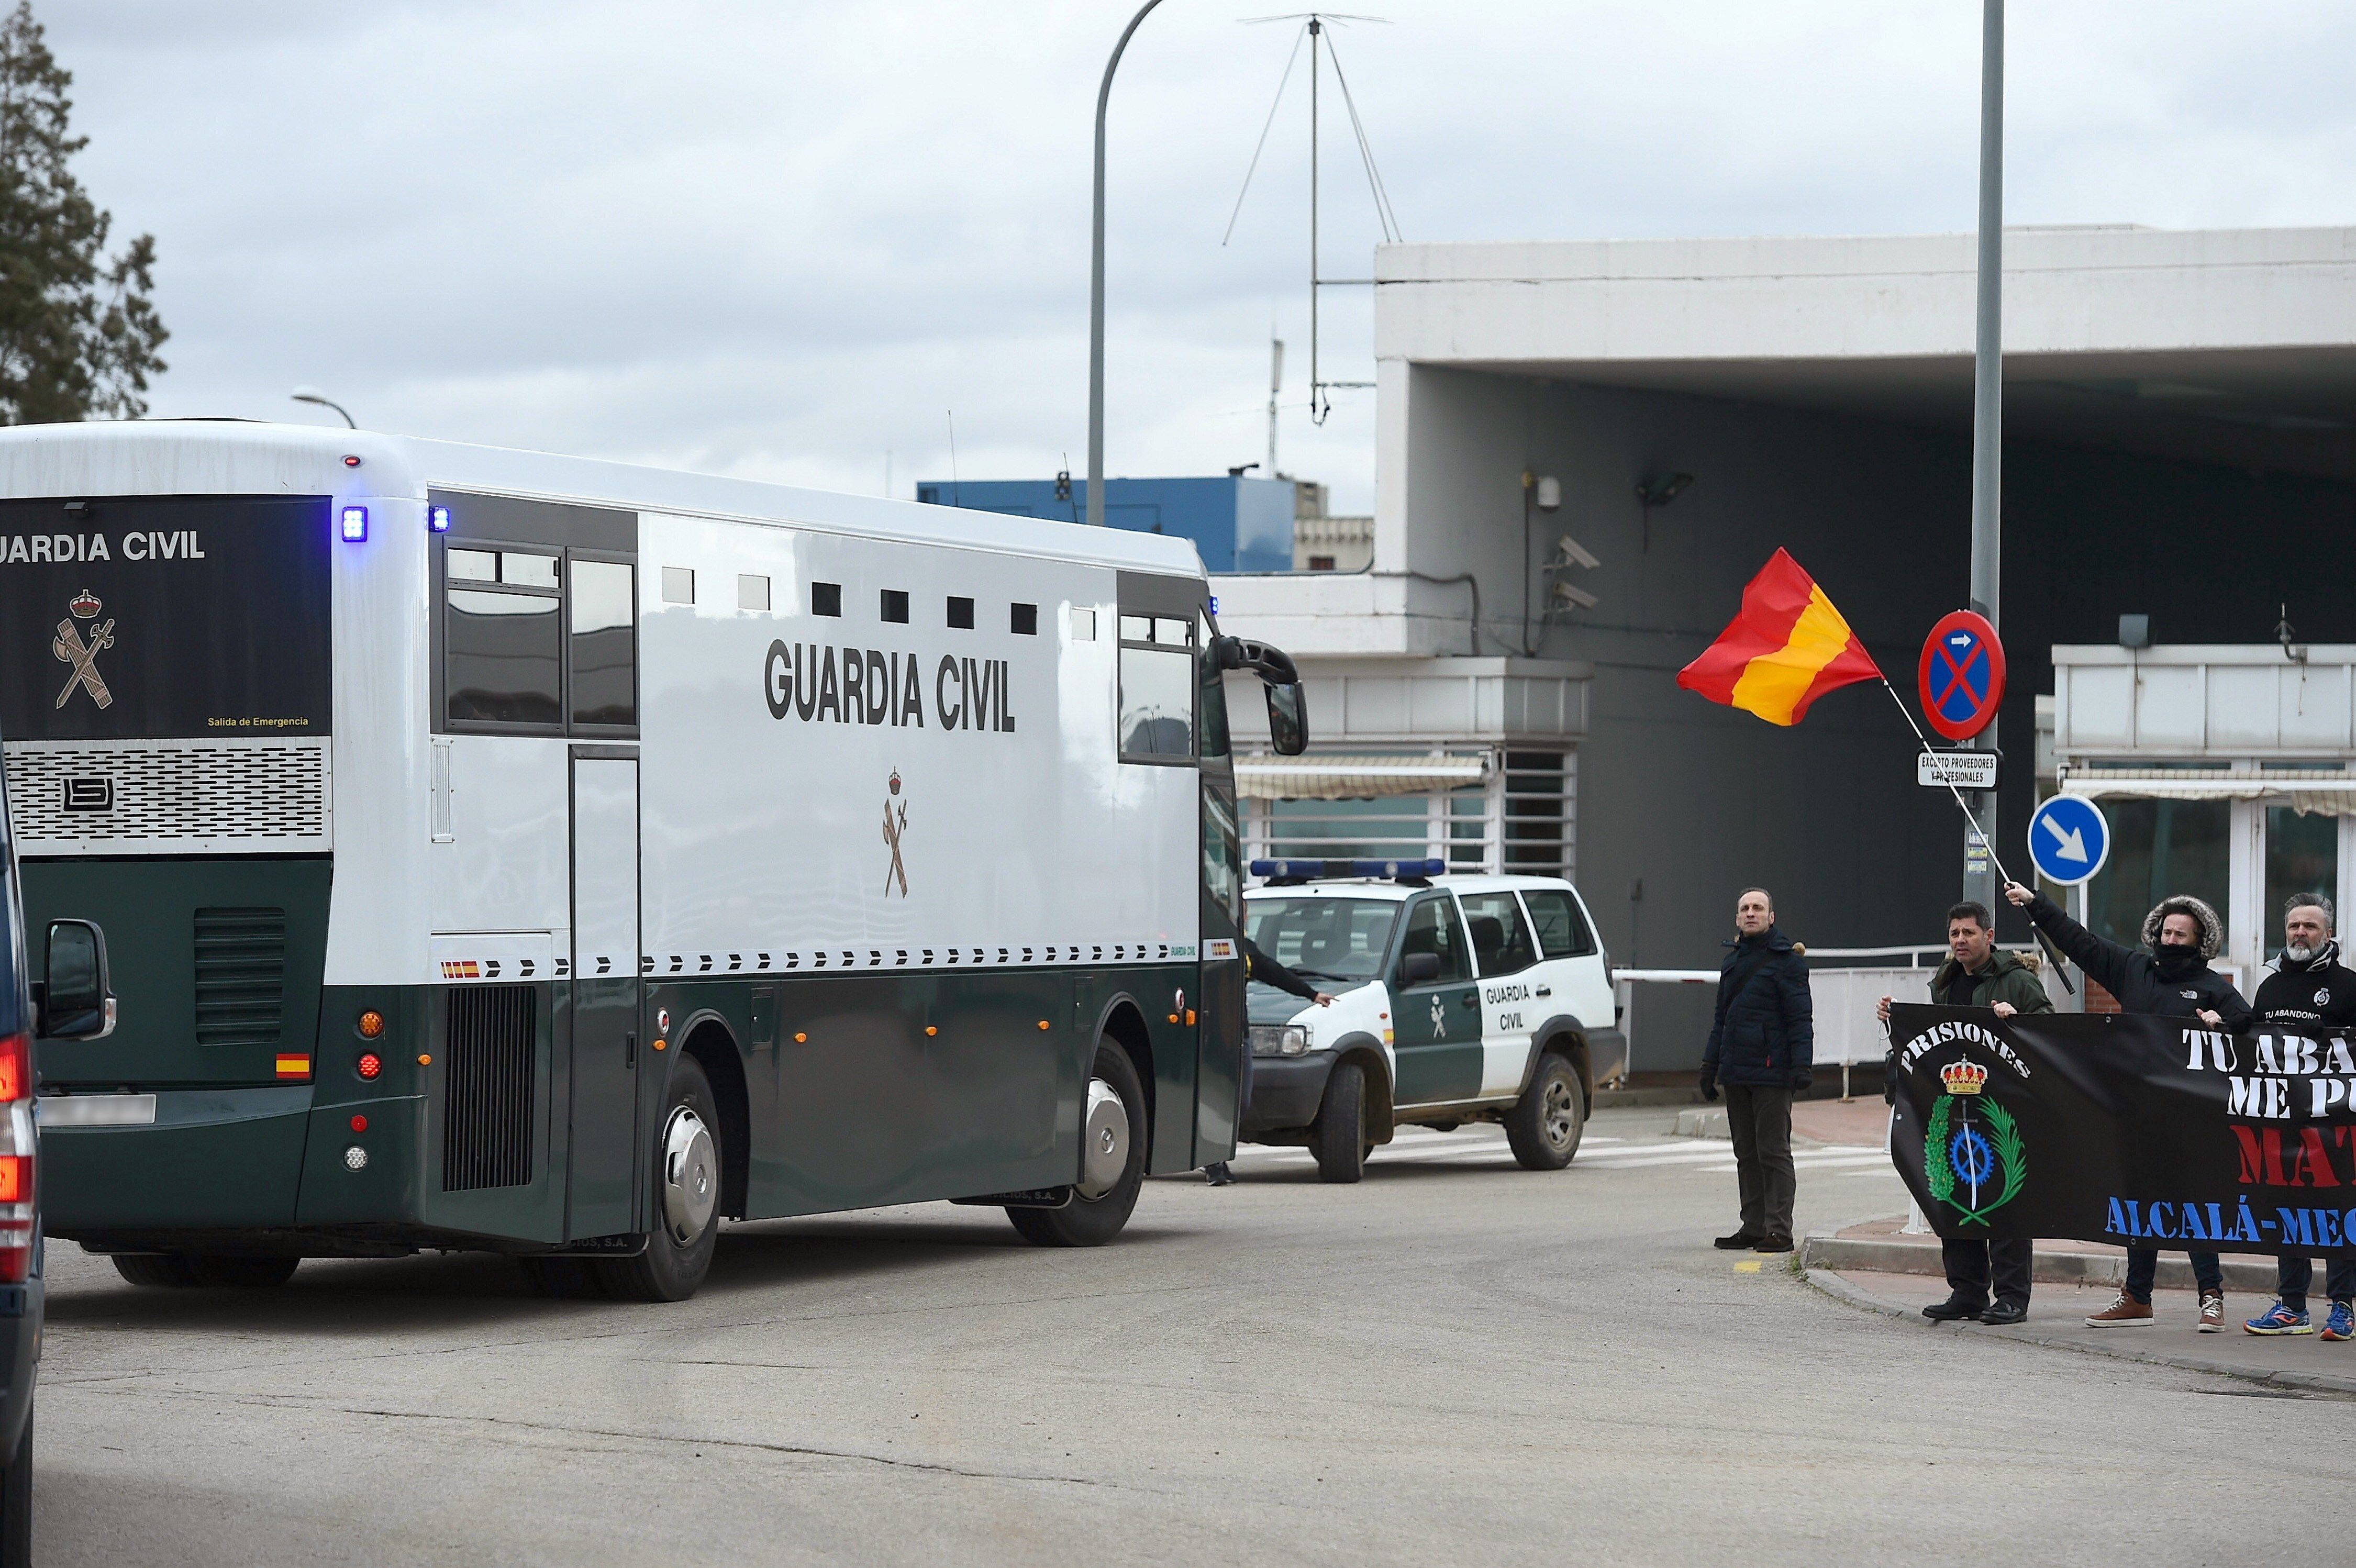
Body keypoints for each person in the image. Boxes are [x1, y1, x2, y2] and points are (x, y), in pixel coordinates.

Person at [2005, 878, 2252, 1330]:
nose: (2170, 939)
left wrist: (2225, 1023)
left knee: (2196, 1203)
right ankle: (2138, 1296)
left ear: (2201, 941)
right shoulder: (2132, 970)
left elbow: (2248, 1026)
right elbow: (2080, 942)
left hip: (2192, 1120)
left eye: (2181, 934)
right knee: (2142, 1203)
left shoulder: (2213, 986)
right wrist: (2037, 904)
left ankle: (2211, 1296)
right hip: (2136, 1113)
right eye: (2166, 931)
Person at [1877, 900, 2052, 1326]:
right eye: (1954, 933)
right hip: (1954, 1110)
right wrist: (1894, 1021)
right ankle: (1967, 1290)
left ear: (1989, 937)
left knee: (2007, 1202)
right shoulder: (1944, 981)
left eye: (1968, 933)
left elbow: (2051, 1031)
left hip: (2004, 1112)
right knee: (1953, 1196)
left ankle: (2012, 1296)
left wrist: (2019, 1021)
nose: (1960, 941)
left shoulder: (2018, 981)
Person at [2243, 893, 2356, 1340]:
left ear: (2328, 934)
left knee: (2337, 1210)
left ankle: (2343, 1307)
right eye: (2294, 926)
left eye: (2310, 926)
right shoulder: (2270, 986)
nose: (2300, 933)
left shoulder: (2348, 985)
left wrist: (2328, 1038)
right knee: (2286, 1210)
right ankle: (2292, 1306)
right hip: (2281, 1119)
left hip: (2333, 1121)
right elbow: (2251, 1048)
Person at [1702, 887, 1813, 1253]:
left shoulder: (1788, 962)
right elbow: (1722, 1019)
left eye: (1758, 908)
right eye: (1745, 909)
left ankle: (1780, 1230)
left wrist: (1801, 1066)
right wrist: (1710, 1065)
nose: (1751, 913)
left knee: (1773, 1151)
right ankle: (1753, 1226)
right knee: (1745, 1152)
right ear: (1737, 918)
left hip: (1772, 1072)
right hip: (1737, 1071)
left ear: (1771, 917)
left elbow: (1800, 1019)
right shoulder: (1732, 962)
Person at [1202, 935, 1333, 1186]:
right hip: (1207, 1037)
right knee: (1215, 1100)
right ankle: (1213, 1162)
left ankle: (1217, 1157)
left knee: (1241, 1100)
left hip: (1238, 1035)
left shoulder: (1245, 948)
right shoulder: (1203, 944)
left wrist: (1312, 994)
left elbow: (1275, 973)